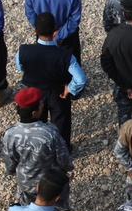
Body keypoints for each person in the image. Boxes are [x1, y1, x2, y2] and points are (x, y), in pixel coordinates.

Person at [16, 12, 86, 150]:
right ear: (55, 29)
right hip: (58, 92)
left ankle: (39, 148)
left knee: (36, 123)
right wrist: (70, 89)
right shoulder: (65, 55)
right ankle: (62, 149)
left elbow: (20, 66)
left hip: (34, 93)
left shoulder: (23, 51)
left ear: (35, 30)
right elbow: (80, 78)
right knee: (61, 122)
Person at [1, 87, 74, 211]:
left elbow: (9, 162)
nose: (42, 105)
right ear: (34, 113)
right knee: (59, 209)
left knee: (29, 209)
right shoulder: (49, 133)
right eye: (40, 104)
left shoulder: (10, 134)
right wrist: (67, 169)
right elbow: (63, 159)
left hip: (25, 183)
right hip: (50, 182)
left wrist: (13, 171)